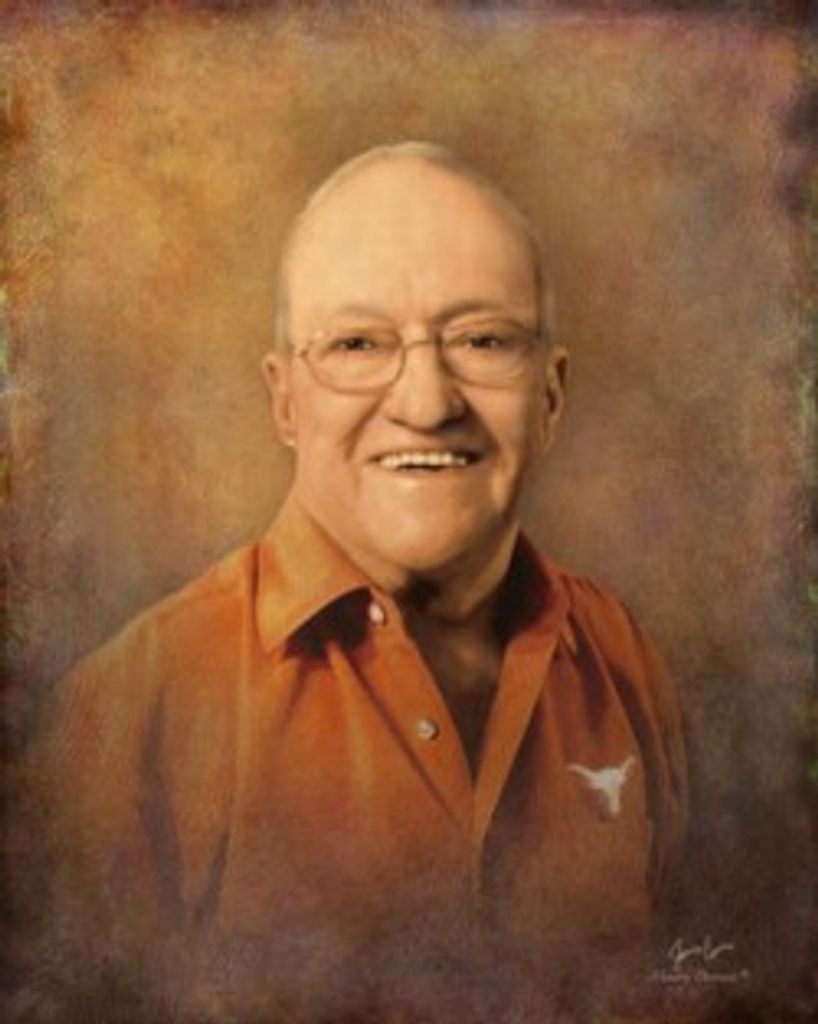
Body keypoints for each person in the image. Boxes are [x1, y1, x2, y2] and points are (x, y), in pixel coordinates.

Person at [17, 142, 687, 1024]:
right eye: (359, 344)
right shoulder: (133, 708)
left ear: (551, 395)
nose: (426, 402)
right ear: (285, 400)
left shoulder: (622, 659)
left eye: (483, 340)